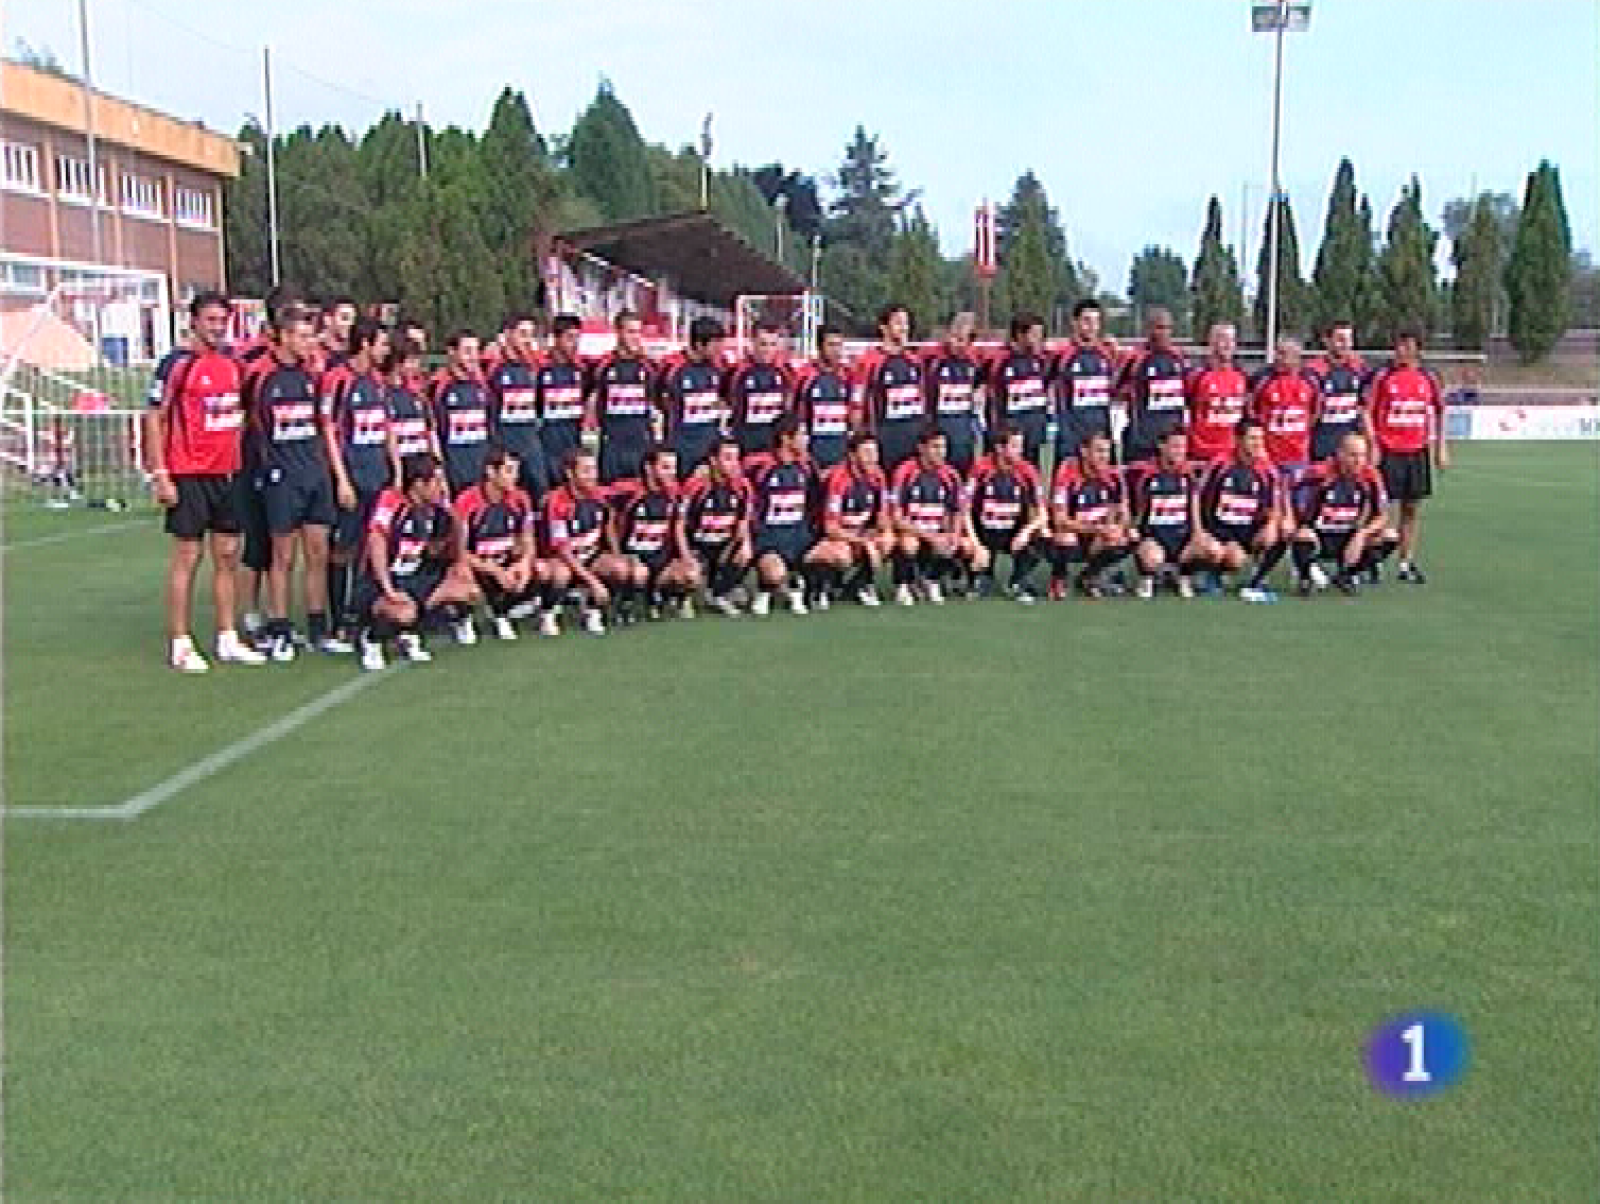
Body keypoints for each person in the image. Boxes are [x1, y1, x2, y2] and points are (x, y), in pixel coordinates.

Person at [144, 291, 264, 671]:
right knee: (188, 557)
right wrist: (160, 473)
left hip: (227, 472)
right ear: (193, 321)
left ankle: (227, 636)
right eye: (210, 320)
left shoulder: (234, 363)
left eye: (222, 320)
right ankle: (180, 642)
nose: (217, 328)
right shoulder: (177, 364)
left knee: (227, 556)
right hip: (189, 473)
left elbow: (243, 409)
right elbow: (154, 417)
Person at [244, 304, 352, 661]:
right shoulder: (260, 374)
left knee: (318, 552)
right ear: (285, 336)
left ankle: (318, 627)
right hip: (281, 476)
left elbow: (325, 422)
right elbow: (248, 422)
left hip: (314, 473)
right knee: (283, 555)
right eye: (303, 336)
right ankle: (279, 628)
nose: (310, 344)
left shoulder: (315, 374)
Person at [354, 453, 479, 671]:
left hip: (415, 578)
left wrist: (459, 559)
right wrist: (388, 589)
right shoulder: (392, 501)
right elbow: (376, 541)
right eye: (436, 481)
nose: (441, 487)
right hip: (383, 582)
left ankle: (408, 631)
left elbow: (453, 534)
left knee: (468, 591)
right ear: (419, 484)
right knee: (404, 613)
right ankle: (371, 638)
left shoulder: (433, 508)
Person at [324, 318, 394, 642]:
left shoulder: (378, 381)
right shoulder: (337, 380)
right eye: (381, 343)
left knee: (372, 546)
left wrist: (395, 470)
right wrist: (341, 479)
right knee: (343, 549)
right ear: (365, 343)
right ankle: (338, 619)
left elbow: (386, 428)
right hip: (352, 476)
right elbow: (329, 431)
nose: (386, 350)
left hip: (377, 475)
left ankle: (362, 613)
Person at [453, 446, 569, 641]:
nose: (514, 477)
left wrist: (523, 563)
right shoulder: (467, 502)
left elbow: (528, 539)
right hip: (481, 566)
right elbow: (459, 552)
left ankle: (538, 613)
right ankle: (464, 619)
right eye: (508, 471)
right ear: (491, 472)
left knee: (555, 571)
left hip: (507, 562)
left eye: (516, 471)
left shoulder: (520, 498)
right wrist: (493, 570)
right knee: (461, 572)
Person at [1363, 328, 1448, 583]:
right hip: (1389, 452)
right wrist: (1374, 443)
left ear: (1416, 349)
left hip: (1417, 451)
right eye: (1398, 346)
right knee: (1380, 509)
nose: (1400, 351)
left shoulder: (1428, 377)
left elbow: (1441, 411)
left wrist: (1440, 448)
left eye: (1406, 346)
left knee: (1411, 509)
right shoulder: (1382, 375)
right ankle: (1372, 561)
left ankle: (1405, 562)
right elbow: (1366, 410)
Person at [744, 414, 846, 614]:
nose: (806, 439)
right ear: (786, 438)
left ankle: (808, 588)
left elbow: (818, 497)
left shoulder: (807, 466)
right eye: (802, 434)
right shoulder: (761, 466)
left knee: (839, 555)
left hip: (800, 538)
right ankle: (765, 590)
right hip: (770, 539)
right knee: (774, 573)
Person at [542, 447, 644, 633]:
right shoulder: (556, 501)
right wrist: (593, 582)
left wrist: (617, 554)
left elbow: (610, 517)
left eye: (594, 470)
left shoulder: (600, 495)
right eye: (586, 471)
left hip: (591, 555)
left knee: (621, 568)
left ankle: (592, 609)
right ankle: (548, 612)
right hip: (564, 559)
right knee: (560, 573)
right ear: (570, 473)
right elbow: (562, 550)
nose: (592, 476)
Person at [1291, 431, 1399, 595]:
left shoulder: (1371, 477)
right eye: (1353, 455)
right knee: (1303, 536)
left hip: (1348, 534)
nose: (1358, 461)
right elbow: (1288, 489)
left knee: (1390, 536)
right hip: (1319, 534)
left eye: (1363, 456)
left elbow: (1382, 516)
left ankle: (1347, 575)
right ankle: (1305, 576)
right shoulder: (1319, 473)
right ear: (1340, 454)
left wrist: (1362, 534)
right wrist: (1295, 522)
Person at [1198, 418, 1289, 603]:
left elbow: (1274, 505)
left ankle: (1258, 578)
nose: (1257, 444)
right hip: (1221, 530)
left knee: (1281, 533)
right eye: (1252, 438)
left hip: (1248, 531)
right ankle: (1212, 574)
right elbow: (1200, 498)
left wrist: (1272, 524)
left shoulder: (1267, 470)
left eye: (1260, 439)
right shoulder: (1220, 465)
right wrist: (1203, 531)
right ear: (1238, 440)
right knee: (1230, 558)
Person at [888, 426, 980, 606]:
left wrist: (953, 535)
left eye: (943, 448)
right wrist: (930, 537)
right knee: (909, 544)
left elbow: (957, 511)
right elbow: (896, 518)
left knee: (965, 546)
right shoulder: (905, 472)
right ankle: (903, 584)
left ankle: (931, 580)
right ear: (921, 448)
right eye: (935, 447)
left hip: (937, 533)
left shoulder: (951, 475)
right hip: (913, 532)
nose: (941, 453)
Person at [608, 445, 702, 618]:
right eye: (665, 467)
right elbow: (609, 521)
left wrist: (686, 557)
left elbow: (678, 527)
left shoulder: (676, 494)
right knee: (636, 573)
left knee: (691, 574)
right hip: (634, 558)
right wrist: (617, 553)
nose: (671, 473)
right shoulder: (628, 491)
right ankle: (625, 603)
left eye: (674, 467)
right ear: (649, 468)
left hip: (660, 560)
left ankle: (663, 597)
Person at [1126, 427, 1214, 599]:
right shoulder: (1145, 473)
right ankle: (1147, 577)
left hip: (1181, 537)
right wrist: (1133, 529)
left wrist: (1198, 533)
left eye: (1183, 447)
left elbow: (1194, 504)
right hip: (1154, 537)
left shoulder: (1189, 474)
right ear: (1161, 446)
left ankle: (1183, 575)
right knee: (1152, 558)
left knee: (1211, 549)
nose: (1180, 452)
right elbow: (1134, 504)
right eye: (1175, 446)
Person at [1047, 430, 1133, 599]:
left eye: (1107, 451)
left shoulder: (1114, 476)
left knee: (1128, 536)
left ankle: (1090, 576)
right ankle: (1058, 577)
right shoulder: (1067, 473)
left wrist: (1117, 527)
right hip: (1073, 533)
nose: (1104, 457)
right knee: (1066, 538)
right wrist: (1097, 530)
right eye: (1099, 451)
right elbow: (1059, 520)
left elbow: (1124, 512)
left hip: (1096, 535)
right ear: (1084, 451)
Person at [965, 425, 1046, 603]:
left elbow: (1043, 514)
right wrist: (976, 545)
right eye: (1015, 446)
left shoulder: (1028, 471)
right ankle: (981, 576)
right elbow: (964, 510)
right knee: (964, 542)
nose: (1020, 451)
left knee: (1044, 534)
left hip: (1013, 530)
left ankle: (1018, 580)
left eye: (1021, 446)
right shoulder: (980, 469)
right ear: (1000, 448)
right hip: (985, 529)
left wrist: (1026, 531)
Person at [819, 430, 893, 607]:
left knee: (888, 541)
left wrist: (882, 532)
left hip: (859, 533)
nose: (873, 458)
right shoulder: (838, 479)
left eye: (875, 453)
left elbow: (883, 518)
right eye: (867, 453)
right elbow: (830, 529)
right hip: (835, 537)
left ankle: (858, 586)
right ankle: (822, 586)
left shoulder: (878, 476)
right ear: (852, 455)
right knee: (842, 554)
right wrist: (864, 543)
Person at [682, 437, 755, 615]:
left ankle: (720, 593)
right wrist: (685, 556)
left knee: (745, 553)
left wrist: (743, 544)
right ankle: (682, 597)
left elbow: (743, 522)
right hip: (699, 546)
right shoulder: (696, 486)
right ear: (713, 460)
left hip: (724, 545)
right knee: (690, 575)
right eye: (728, 458)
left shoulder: (743, 487)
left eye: (736, 458)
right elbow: (679, 524)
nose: (734, 464)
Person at [486, 313, 551, 501]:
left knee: (540, 491)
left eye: (530, 335)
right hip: (506, 442)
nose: (528, 340)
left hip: (530, 442)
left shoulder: (534, 367)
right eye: (522, 334)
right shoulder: (494, 369)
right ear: (508, 335)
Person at [586, 309, 655, 485]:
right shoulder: (603, 366)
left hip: (640, 443)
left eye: (638, 332)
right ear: (618, 333)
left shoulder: (648, 367)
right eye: (630, 332)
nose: (636, 337)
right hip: (612, 444)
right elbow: (588, 393)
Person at [856, 304, 925, 474]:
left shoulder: (915, 360)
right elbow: (858, 401)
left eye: (906, 323)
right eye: (898, 323)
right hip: (885, 437)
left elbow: (923, 397)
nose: (904, 328)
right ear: (884, 327)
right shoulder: (870, 361)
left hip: (912, 436)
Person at [655, 316, 727, 475]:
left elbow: (725, 396)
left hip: (710, 446)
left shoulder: (720, 366)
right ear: (699, 344)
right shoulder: (672, 367)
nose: (719, 350)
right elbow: (656, 395)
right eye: (715, 345)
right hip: (682, 447)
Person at [1116, 307, 1188, 463]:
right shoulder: (1135, 358)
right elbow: (1114, 389)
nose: (1164, 333)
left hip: (1171, 445)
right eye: (1159, 328)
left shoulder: (1179, 358)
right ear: (1148, 329)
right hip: (1142, 443)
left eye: (1168, 328)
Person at [1250, 335, 1320, 492]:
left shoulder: (1311, 380)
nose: (1277, 358)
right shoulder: (1262, 378)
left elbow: (1315, 413)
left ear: (1296, 357)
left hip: (1298, 457)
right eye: (1277, 353)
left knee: (1298, 507)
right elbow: (1251, 412)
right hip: (1269, 457)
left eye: (1283, 354)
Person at [1054, 298, 1119, 465]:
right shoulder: (1063, 356)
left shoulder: (1106, 355)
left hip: (1102, 440)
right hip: (1073, 442)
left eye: (1096, 321)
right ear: (1074, 323)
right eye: (1087, 321)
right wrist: (1067, 443)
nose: (1092, 327)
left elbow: (1114, 392)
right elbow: (1060, 402)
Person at [984, 313, 1052, 468]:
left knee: (1031, 476)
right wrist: (997, 430)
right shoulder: (1000, 360)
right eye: (1035, 334)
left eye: (1041, 335)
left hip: (1034, 431)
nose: (1039, 339)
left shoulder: (1042, 359)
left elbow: (1046, 387)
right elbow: (993, 396)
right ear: (1020, 335)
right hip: (1009, 434)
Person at [432, 330, 492, 495]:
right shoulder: (439, 386)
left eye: (476, 351)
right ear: (452, 352)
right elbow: (435, 433)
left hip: (481, 476)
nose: (473, 357)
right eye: (467, 351)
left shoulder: (482, 386)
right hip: (455, 476)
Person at [922, 312, 983, 475]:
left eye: (964, 340)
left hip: (963, 432)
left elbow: (979, 385)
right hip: (939, 429)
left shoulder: (974, 362)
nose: (958, 344)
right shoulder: (931, 359)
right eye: (955, 337)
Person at [791, 323, 853, 472]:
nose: (836, 351)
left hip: (840, 453)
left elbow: (853, 413)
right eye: (831, 345)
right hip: (813, 456)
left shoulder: (848, 375)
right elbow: (793, 413)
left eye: (839, 345)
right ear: (820, 347)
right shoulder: (805, 375)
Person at [726, 322, 792, 459]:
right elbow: (726, 404)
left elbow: (788, 408)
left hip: (774, 451)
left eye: (773, 344)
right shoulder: (737, 372)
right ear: (753, 342)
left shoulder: (785, 372)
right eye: (763, 344)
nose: (768, 350)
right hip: (746, 449)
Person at [1185, 322, 1249, 465]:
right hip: (1202, 455)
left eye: (1232, 340)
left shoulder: (1242, 376)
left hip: (1233, 455)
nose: (1228, 345)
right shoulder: (1196, 376)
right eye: (1223, 339)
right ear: (1212, 343)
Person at [1307, 319, 1368, 462]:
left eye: (1348, 340)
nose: (1345, 344)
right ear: (1327, 341)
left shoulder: (1359, 368)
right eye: (1340, 339)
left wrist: (1370, 440)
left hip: (1351, 447)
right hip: (1323, 447)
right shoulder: (1314, 370)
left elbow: (1363, 408)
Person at [536, 313, 587, 474]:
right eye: (570, 338)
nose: (575, 343)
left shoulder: (582, 369)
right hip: (548, 448)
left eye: (577, 338)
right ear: (556, 338)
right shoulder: (541, 369)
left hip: (573, 445)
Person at [384, 336, 438, 462]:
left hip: (420, 460)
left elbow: (430, 429)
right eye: (411, 361)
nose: (416, 366)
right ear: (398, 363)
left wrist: (436, 463)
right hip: (401, 461)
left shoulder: (418, 394)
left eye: (417, 361)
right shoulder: (385, 393)